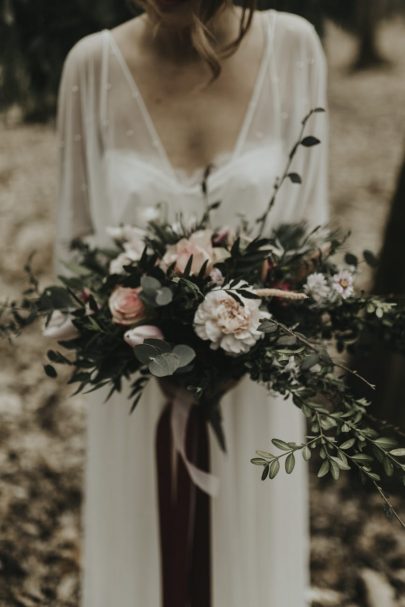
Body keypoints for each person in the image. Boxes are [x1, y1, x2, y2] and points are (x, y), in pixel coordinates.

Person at [55, 1, 329, 605]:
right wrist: (131, 337)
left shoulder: (296, 48)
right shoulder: (91, 66)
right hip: (135, 398)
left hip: (255, 398)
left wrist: (245, 345)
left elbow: (312, 249)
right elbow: (73, 260)